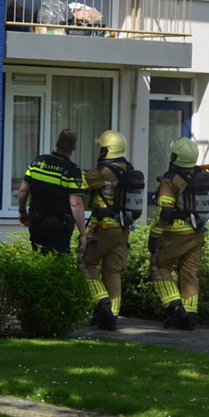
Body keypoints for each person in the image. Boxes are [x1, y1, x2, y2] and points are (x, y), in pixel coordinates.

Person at [148, 137, 209, 331]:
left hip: (176, 233)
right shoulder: (202, 176)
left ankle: (175, 308)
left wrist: (155, 235)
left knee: (159, 266)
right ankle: (189, 317)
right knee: (189, 275)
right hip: (197, 233)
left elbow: (165, 211)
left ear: (175, 157)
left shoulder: (171, 179)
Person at [80, 130, 135, 331]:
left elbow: (77, 183)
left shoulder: (102, 172)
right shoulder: (129, 169)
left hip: (103, 228)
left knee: (85, 264)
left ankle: (102, 303)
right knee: (112, 272)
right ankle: (111, 317)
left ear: (106, 150)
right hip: (123, 229)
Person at [18, 129, 87, 257]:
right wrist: (83, 234)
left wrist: (22, 212)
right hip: (59, 226)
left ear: (56, 143)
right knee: (57, 263)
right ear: (74, 148)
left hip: (36, 221)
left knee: (38, 258)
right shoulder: (72, 170)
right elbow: (76, 204)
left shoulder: (37, 163)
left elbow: (23, 190)